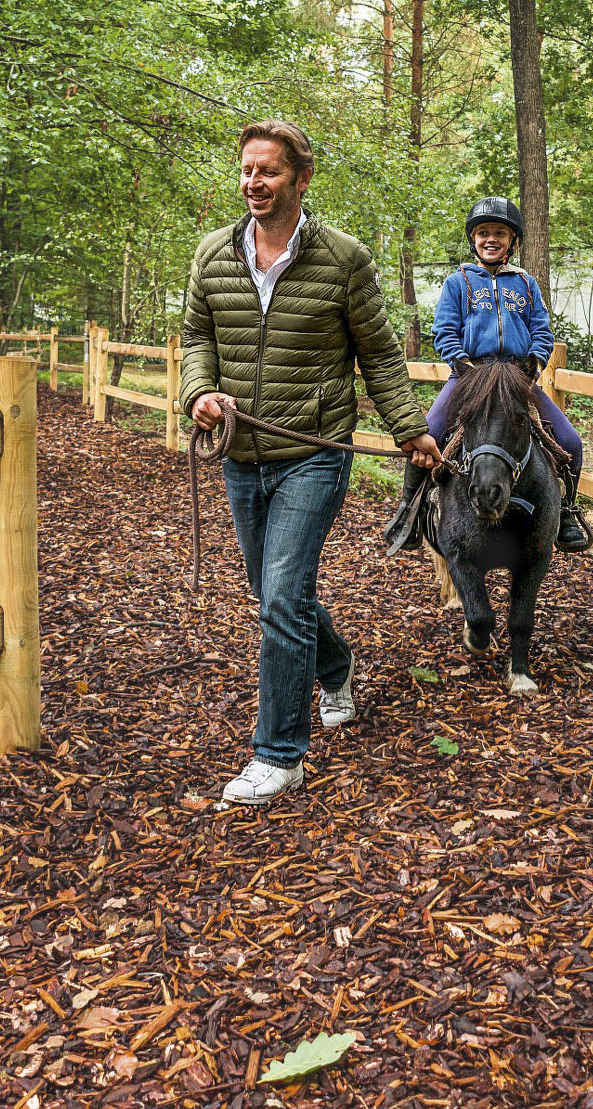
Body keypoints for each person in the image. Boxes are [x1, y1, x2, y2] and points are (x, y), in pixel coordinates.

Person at [181, 120, 442, 807]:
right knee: (273, 593)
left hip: (315, 455)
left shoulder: (344, 259)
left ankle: (279, 754)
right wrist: (198, 391)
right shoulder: (212, 254)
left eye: (268, 171)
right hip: (242, 453)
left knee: (282, 596)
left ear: (302, 177)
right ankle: (336, 664)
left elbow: (380, 353)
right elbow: (195, 338)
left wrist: (409, 429)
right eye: (246, 170)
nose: (253, 183)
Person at [385, 196, 592, 554]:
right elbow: (445, 331)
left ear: (513, 240)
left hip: (517, 378)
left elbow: (542, 331)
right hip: (470, 375)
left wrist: (534, 366)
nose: (490, 239)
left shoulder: (526, 284)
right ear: (473, 239)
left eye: (499, 232)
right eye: (483, 233)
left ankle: (568, 511)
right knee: (429, 432)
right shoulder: (459, 282)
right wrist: (461, 364)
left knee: (570, 443)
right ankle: (409, 511)